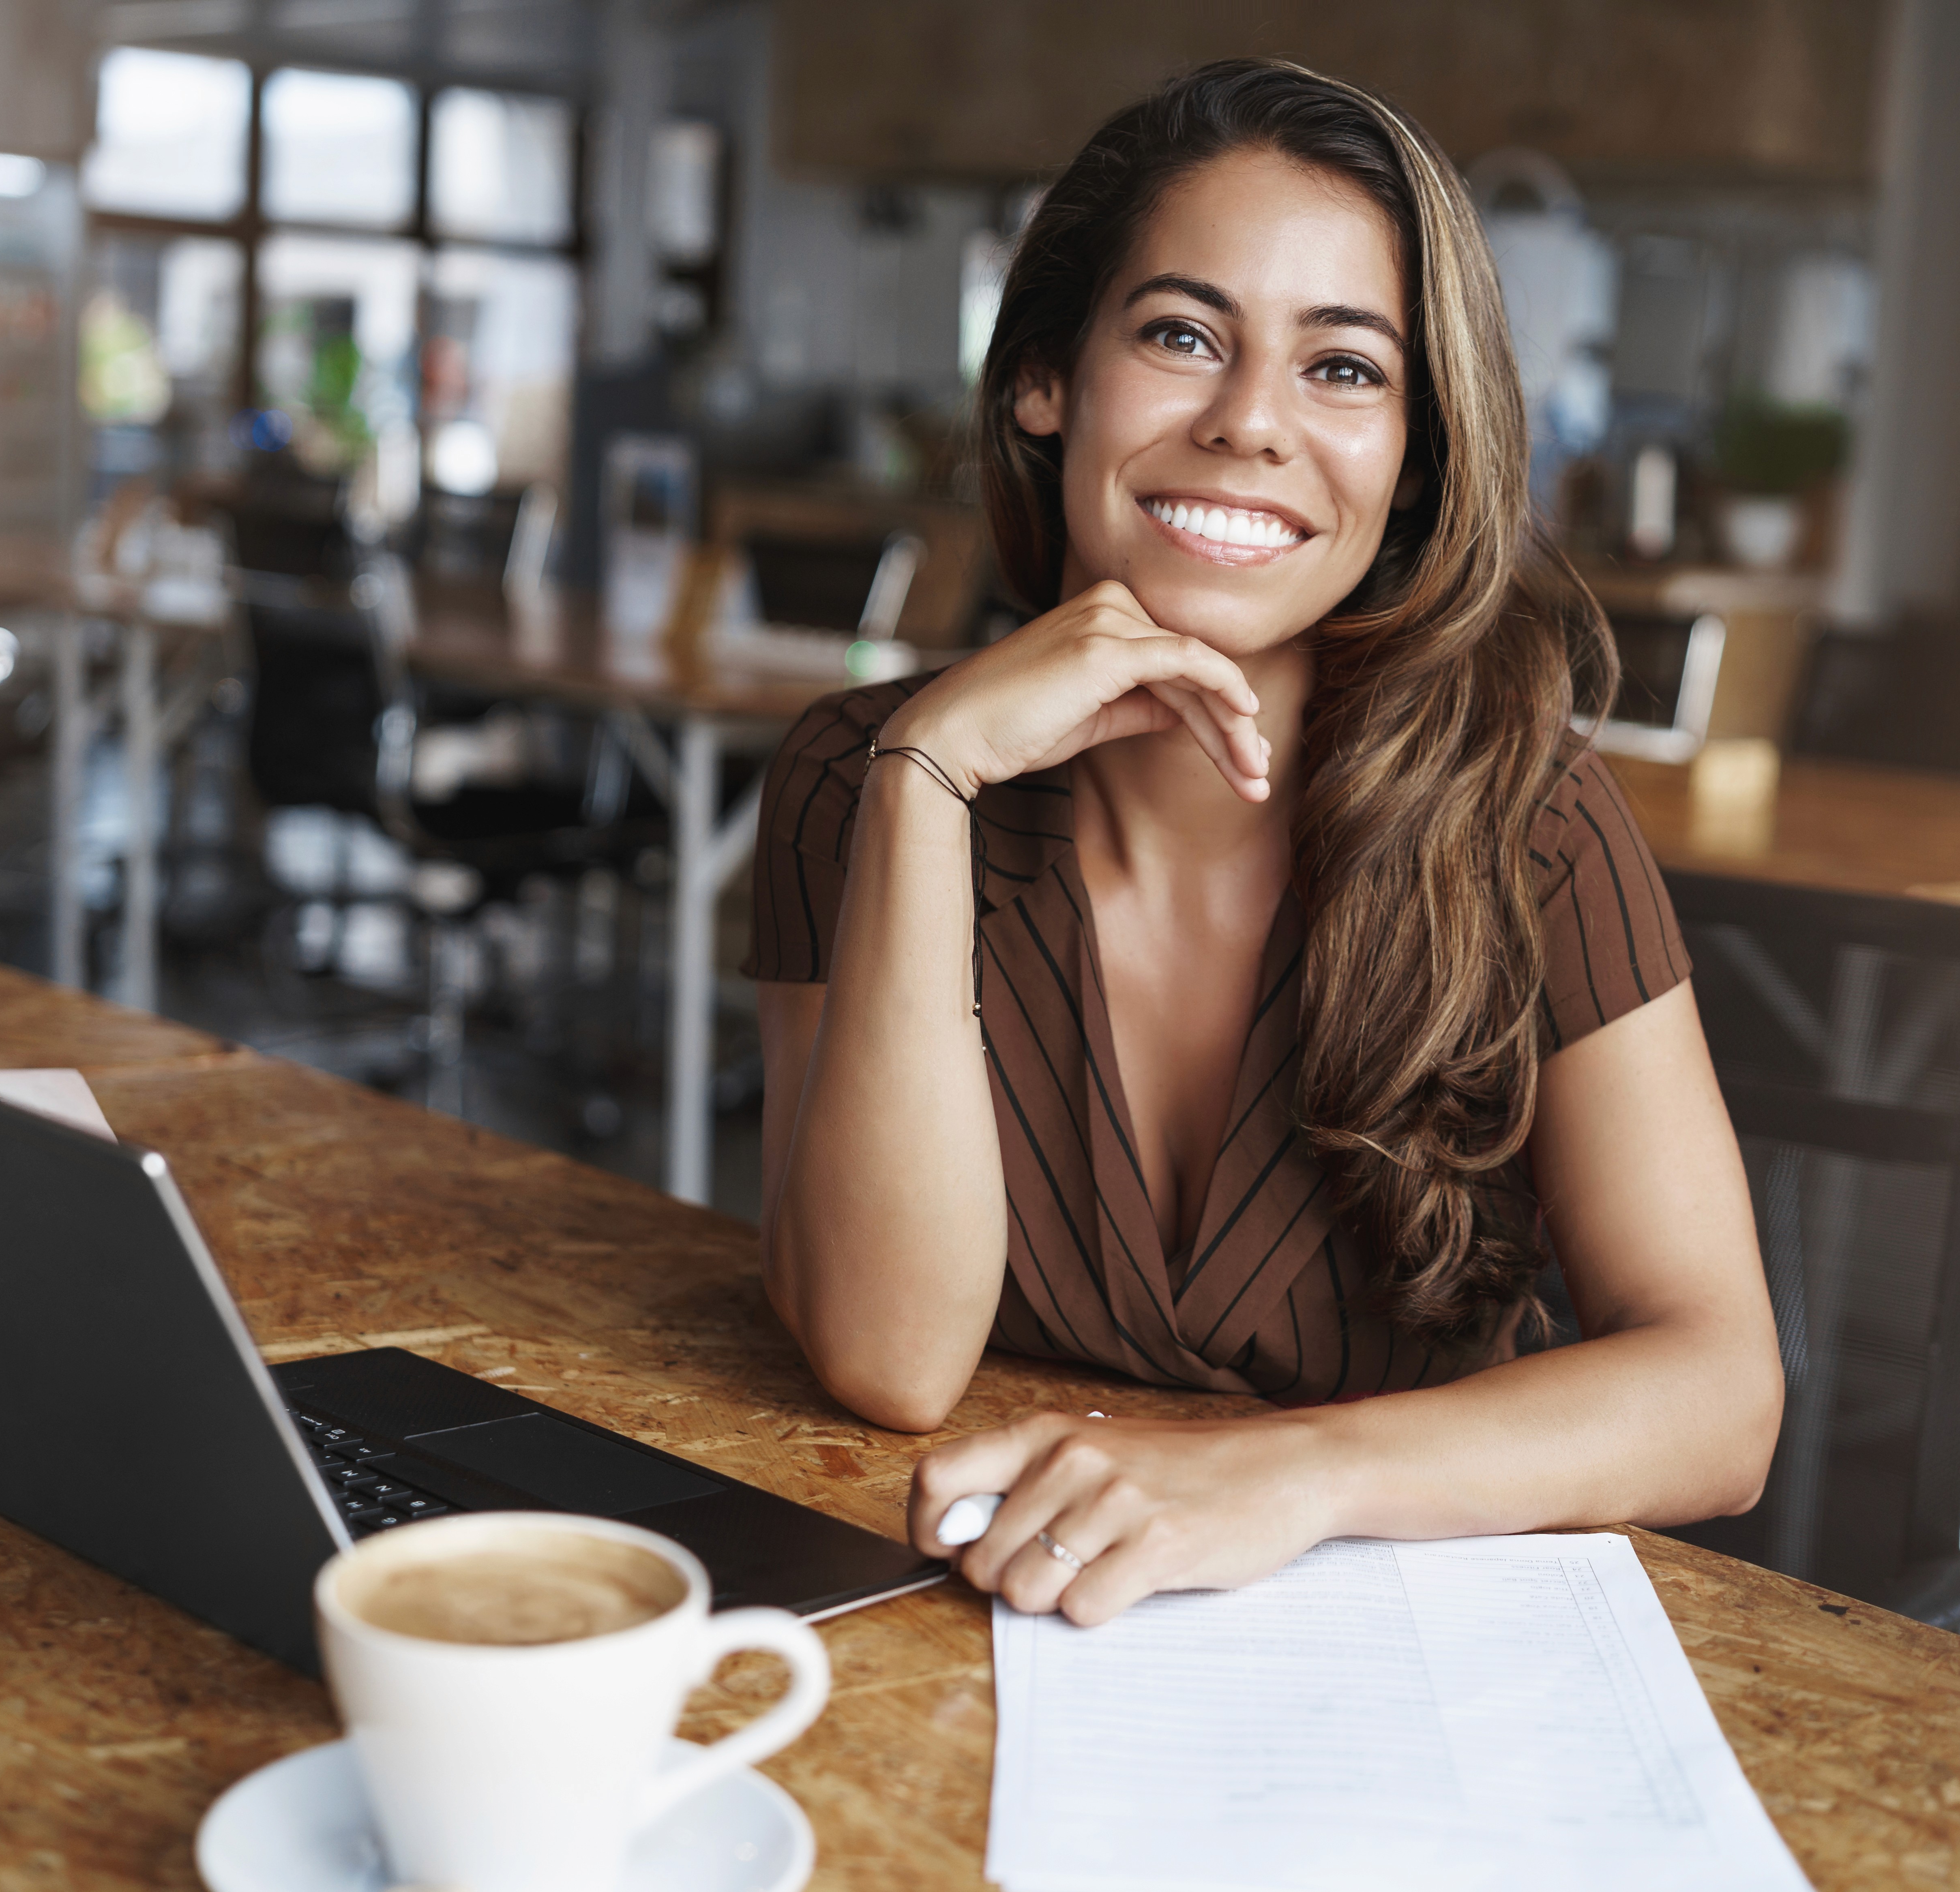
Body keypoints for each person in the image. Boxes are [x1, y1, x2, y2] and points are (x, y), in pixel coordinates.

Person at [746, 58, 1780, 1627]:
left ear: (1418, 458)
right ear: (1045, 379)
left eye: (1345, 370)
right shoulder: (862, 778)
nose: (1250, 425)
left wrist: (1289, 1476)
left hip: (1401, 1669)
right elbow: (890, 1362)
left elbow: (1722, 1395)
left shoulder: (1529, 820)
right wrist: (932, 774)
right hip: (976, 1635)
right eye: (1180, 336)